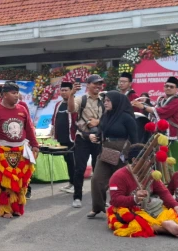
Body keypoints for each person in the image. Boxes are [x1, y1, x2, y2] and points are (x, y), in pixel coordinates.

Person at [107, 144, 178, 237]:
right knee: (130, 219)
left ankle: (165, 224)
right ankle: (161, 228)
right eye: (147, 159)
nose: (150, 162)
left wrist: (175, 205)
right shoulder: (118, 176)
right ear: (135, 160)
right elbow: (115, 200)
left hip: (149, 207)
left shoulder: (151, 173)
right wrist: (134, 199)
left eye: (150, 159)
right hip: (128, 208)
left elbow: (163, 192)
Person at [0, 82, 39, 218]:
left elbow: (29, 129)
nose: (16, 96)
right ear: (5, 95)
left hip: (21, 150)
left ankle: (16, 207)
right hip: (2, 150)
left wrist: (35, 145)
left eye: (17, 93)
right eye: (13, 93)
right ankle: (5, 209)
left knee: (21, 182)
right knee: (3, 182)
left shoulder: (22, 109)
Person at [87, 91, 138, 218]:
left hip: (122, 154)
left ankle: (122, 208)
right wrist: (95, 136)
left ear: (116, 102)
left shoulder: (127, 118)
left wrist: (132, 156)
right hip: (106, 152)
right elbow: (102, 131)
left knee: (121, 183)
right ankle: (97, 207)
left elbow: (135, 139)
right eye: (105, 100)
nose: (105, 103)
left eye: (108, 100)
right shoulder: (106, 116)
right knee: (96, 179)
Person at [68, 75, 105, 208]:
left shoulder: (104, 100)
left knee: (99, 170)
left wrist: (98, 122)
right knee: (80, 169)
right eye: (95, 84)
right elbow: (71, 109)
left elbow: (109, 118)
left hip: (98, 138)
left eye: (100, 84)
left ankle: (100, 200)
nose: (98, 86)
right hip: (82, 138)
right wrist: (71, 94)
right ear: (88, 85)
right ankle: (77, 197)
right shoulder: (81, 99)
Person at [133, 76, 178, 165]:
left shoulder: (177, 101)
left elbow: (161, 112)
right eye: (167, 86)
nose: (168, 88)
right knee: (155, 160)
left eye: (171, 87)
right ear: (164, 87)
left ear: (176, 90)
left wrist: (143, 107)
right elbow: (154, 113)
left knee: (166, 161)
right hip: (158, 133)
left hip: (169, 136)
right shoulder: (161, 99)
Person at [51, 82, 77, 193]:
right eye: (62, 90)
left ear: (72, 91)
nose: (64, 92)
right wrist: (52, 131)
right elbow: (54, 119)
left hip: (73, 138)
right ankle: (71, 183)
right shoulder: (58, 104)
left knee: (74, 161)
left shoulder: (76, 103)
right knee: (68, 161)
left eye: (66, 90)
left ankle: (76, 185)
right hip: (62, 138)